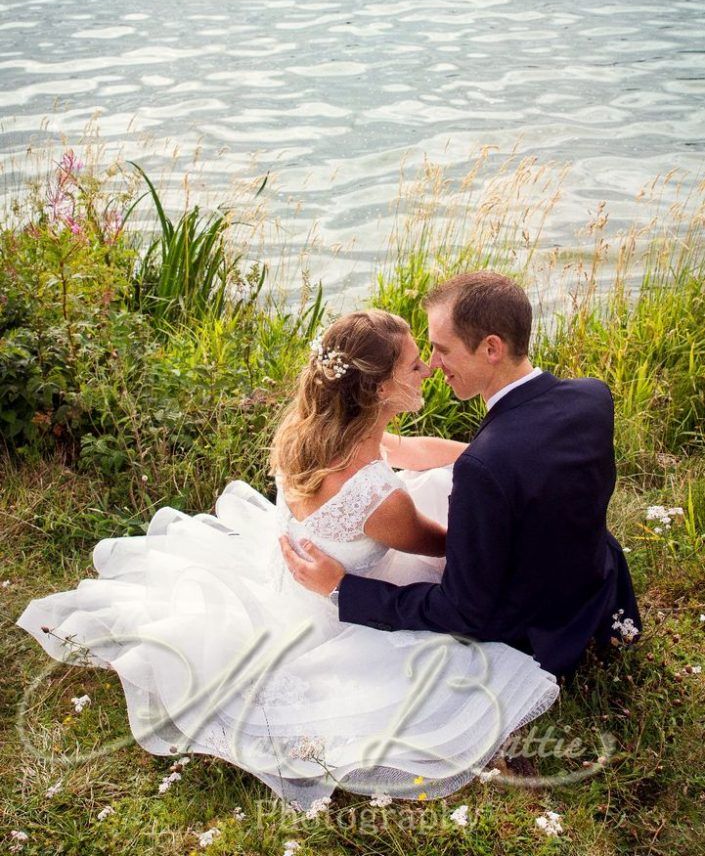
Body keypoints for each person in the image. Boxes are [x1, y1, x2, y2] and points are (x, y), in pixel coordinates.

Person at [16, 307, 558, 811]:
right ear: (380, 387)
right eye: (416, 364)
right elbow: (446, 543)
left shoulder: (312, 429)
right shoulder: (376, 497)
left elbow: (406, 450)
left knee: (439, 474)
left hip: (295, 585)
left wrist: (488, 456)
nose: (429, 369)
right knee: (468, 580)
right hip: (341, 610)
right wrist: (502, 503)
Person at [281, 272, 641, 680]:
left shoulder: (485, 469)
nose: (433, 365)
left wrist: (343, 589)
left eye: (440, 349)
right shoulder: (592, 397)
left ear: (491, 348)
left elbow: (463, 612)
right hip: (593, 577)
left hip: (532, 625)